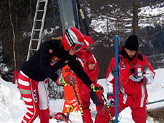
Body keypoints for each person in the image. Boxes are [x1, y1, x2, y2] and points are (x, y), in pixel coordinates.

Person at [17, 26, 100, 123]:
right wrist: (58, 79)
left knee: (45, 110)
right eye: (77, 47)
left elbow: (79, 70)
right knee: (34, 112)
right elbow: (44, 65)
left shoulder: (69, 55)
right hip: (27, 77)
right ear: (68, 43)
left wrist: (90, 85)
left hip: (40, 80)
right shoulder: (49, 47)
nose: (78, 50)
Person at [95, 35, 155, 123]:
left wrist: (142, 78)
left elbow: (151, 75)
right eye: (130, 51)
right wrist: (110, 96)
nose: (132, 53)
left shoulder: (142, 59)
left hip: (139, 98)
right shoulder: (117, 61)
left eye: (134, 51)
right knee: (103, 115)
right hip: (122, 96)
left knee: (141, 120)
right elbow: (110, 81)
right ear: (125, 48)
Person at [76, 35, 104, 123]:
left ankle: (102, 120)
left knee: (100, 102)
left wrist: (96, 78)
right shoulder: (78, 55)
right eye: (89, 45)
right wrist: (87, 68)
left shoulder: (90, 54)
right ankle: (88, 121)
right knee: (85, 105)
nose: (90, 46)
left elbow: (96, 65)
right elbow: (77, 71)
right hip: (83, 84)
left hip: (93, 83)